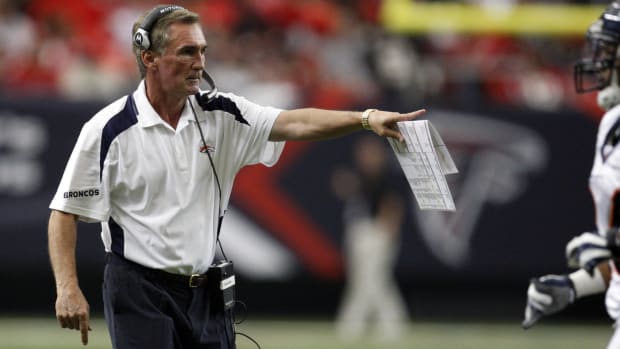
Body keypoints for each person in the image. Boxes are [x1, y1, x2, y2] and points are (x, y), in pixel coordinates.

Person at [47, 4, 426, 349]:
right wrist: (67, 287)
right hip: (138, 288)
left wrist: (364, 119)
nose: (200, 62)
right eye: (187, 52)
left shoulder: (223, 112)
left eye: (202, 50)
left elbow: (296, 122)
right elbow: (64, 212)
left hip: (205, 286)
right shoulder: (107, 129)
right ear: (150, 58)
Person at [522, 3, 620, 348]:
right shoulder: (612, 123)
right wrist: (576, 284)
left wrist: (612, 243)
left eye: (609, 51)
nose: (598, 61)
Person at [332, 135, 409, 342]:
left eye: (370, 152)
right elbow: (345, 191)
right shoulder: (361, 175)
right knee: (363, 281)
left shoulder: (389, 174)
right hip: (358, 231)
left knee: (373, 280)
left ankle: (354, 326)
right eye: (363, 152)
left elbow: (394, 205)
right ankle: (388, 326)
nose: (365, 156)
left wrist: (387, 230)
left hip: (377, 232)